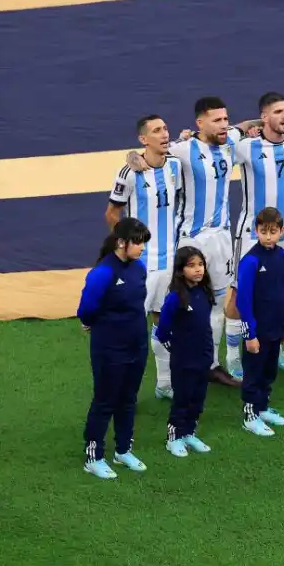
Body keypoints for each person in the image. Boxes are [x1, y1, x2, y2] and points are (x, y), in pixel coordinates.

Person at [126, 97, 269, 387]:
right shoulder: (182, 149)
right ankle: (172, 375)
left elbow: (245, 126)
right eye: (216, 120)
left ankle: (211, 365)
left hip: (222, 240)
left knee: (218, 303)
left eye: (225, 119)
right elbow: (151, 152)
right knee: (183, 307)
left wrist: (271, 124)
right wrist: (132, 156)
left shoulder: (230, 141)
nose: (224, 125)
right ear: (199, 124)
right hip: (192, 241)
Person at [225, 92, 284, 380]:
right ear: (264, 116)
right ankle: (233, 356)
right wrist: (243, 125)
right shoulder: (248, 147)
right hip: (249, 236)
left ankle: (276, 348)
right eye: (278, 112)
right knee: (238, 294)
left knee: (279, 292)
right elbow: (219, 144)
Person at [107, 115, 181, 400]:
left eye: (165, 128)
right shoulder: (129, 173)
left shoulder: (176, 162)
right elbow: (112, 213)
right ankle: (123, 391)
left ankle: (164, 384)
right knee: (130, 332)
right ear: (142, 139)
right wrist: (123, 248)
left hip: (170, 261)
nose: (164, 134)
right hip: (141, 266)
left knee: (164, 324)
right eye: (156, 131)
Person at [78, 217, 152, 479]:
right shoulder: (103, 273)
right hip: (109, 348)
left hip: (137, 345)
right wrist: (91, 323)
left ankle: (123, 450)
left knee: (129, 399)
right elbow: (86, 309)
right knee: (105, 401)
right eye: (138, 242)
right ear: (122, 243)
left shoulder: (138, 268)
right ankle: (93, 456)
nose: (142, 247)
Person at [235, 207, 284, 436]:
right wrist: (249, 334)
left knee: (269, 370)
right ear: (256, 232)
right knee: (254, 372)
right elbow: (243, 301)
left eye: (273, 231)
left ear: (281, 231)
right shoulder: (250, 261)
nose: (268, 236)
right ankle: (249, 414)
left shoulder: (283, 257)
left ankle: (262, 407)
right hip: (257, 331)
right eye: (263, 231)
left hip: (276, 327)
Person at [155, 246, 215, 457]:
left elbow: (205, 325)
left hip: (203, 358)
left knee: (198, 398)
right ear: (181, 270)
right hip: (183, 361)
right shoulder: (175, 298)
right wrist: (179, 349)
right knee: (182, 398)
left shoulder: (204, 292)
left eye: (200, 265)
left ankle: (189, 432)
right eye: (192, 266)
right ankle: (174, 437)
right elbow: (162, 331)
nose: (198, 270)